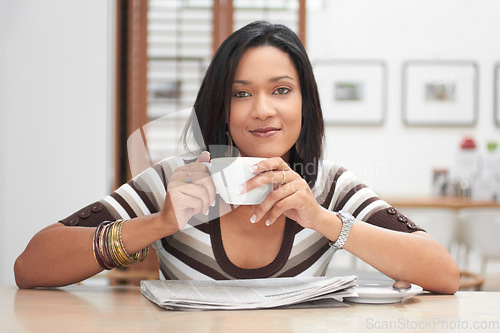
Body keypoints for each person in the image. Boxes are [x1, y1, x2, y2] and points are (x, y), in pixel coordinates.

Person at [14, 21, 460, 293]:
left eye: (281, 90)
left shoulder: (326, 185)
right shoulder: (178, 179)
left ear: (305, 103)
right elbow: (31, 267)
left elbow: (443, 273)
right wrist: (160, 223)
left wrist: (321, 218)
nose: (263, 109)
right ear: (221, 111)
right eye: (241, 94)